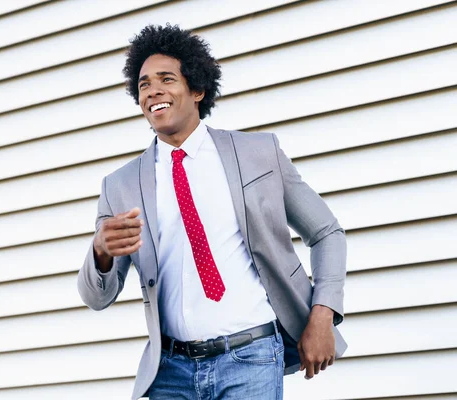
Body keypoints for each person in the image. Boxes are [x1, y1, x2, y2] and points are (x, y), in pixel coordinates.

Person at [78, 24, 347, 400]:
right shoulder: (120, 185)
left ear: (198, 89)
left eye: (166, 79)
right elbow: (96, 297)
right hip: (169, 373)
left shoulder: (257, 154)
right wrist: (100, 253)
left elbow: (326, 232)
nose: (152, 90)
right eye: (143, 84)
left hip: (251, 359)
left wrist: (322, 315)